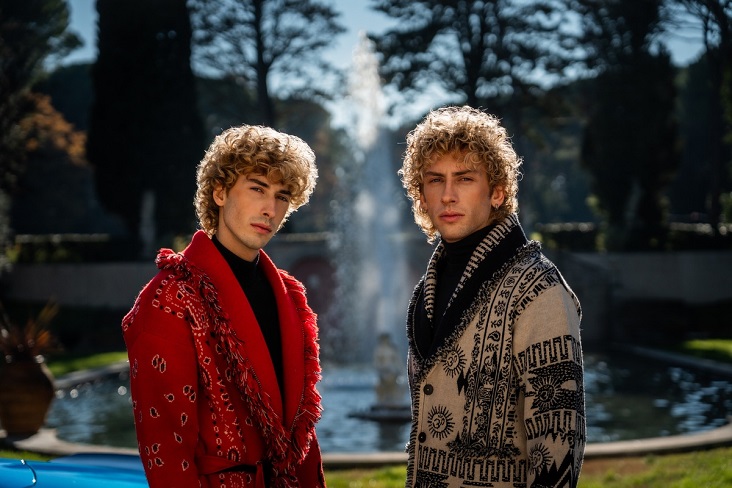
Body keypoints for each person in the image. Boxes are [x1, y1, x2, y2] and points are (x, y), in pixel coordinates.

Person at [122, 125, 326, 487]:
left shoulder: (289, 296)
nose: (270, 209)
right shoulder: (170, 297)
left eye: (282, 196)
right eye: (257, 188)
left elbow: (301, 435)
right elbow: (165, 448)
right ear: (219, 192)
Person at [399, 106, 585, 487]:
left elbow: (559, 447)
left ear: (497, 191)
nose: (447, 195)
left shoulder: (539, 289)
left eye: (464, 179)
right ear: (421, 195)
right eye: (435, 180)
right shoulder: (426, 290)